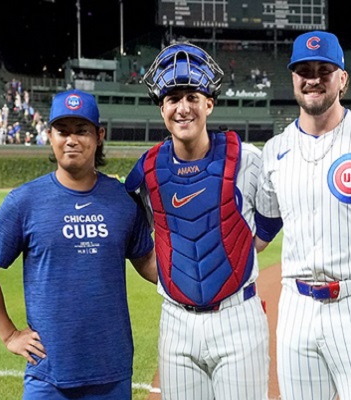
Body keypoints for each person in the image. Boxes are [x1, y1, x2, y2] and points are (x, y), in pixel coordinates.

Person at [0, 89, 157, 399]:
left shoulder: (123, 200)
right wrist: (10, 335)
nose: (71, 139)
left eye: (82, 130)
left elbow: (149, 264)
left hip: (111, 372)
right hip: (48, 377)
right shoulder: (25, 201)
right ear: (50, 136)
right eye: (62, 130)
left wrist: (198, 280)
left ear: (99, 136)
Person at [255, 30, 351, 399]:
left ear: (342, 78)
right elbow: (261, 231)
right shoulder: (275, 151)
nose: (313, 78)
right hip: (296, 308)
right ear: (293, 78)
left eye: (324, 70)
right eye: (303, 70)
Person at [125, 43, 277, 400]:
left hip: (237, 318)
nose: (183, 107)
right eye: (173, 98)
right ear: (161, 107)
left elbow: (270, 221)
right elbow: (134, 238)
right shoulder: (146, 170)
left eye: (192, 96)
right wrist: (168, 276)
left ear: (209, 103)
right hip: (177, 323)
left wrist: (234, 257)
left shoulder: (246, 159)